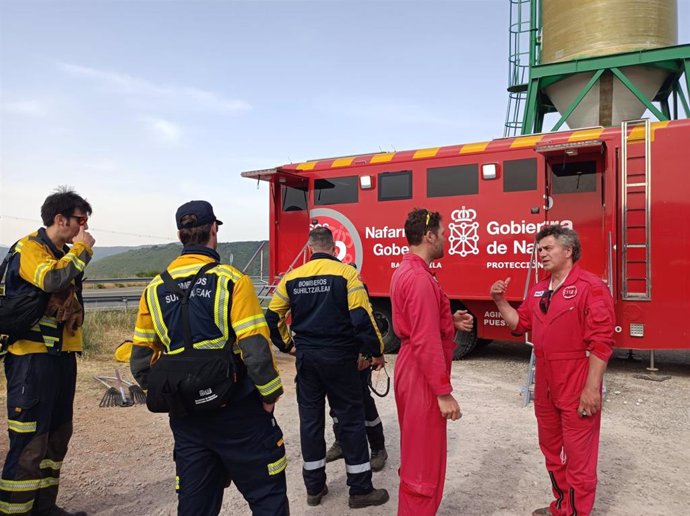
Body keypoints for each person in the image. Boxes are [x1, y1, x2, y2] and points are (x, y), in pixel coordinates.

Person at [130, 200, 288, 516]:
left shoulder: (154, 288)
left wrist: (178, 394)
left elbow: (139, 362)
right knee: (266, 497)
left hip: (187, 419)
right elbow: (255, 350)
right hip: (238, 411)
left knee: (195, 506)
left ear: (180, 235)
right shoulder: (232, 280)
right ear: (213, 229)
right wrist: (269, 395)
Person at [490, 224, 615, 516]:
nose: (541, 254)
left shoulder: (591, 287)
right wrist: (499, 300)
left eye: (548, 248)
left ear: (568, 250)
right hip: (546, 383)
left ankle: (577, 512)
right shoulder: (538, 289)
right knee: (552, 451)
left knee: (578, 457)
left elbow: (601, 343)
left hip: (576, 380)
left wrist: (591, 388)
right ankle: (561, 506)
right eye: (539, 249)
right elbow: (518, 324)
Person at [265, 227, 390, 509]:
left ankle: (314, 488)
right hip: (340, 359)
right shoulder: (347, 275)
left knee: (310, 424)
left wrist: (289, 347)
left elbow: (272, 318)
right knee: (351, 420)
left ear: (310, 249)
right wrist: (376, 352)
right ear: (333, 248)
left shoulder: (292, 278)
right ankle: (359, 490)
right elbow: (361, 318)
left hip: (307, 361)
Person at [1, 188, 94, 516]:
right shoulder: (30, 249)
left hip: (60, 358)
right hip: (31, 359)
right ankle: (15, 511)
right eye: (80, 221)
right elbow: (52, 280)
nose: (84, 229)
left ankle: (44, 507)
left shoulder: (62, 253)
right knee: (29, 443)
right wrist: (82, 250)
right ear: (60, 219)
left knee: (56, 439)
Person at [389, 208, 473, 516]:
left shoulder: (408, 272)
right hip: (420, 375)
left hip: (413, 368)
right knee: (423, 464)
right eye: (444, 233)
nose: (446, 238)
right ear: (429, 236)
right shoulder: (420, 278)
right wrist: (443, 392)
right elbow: (423, 339)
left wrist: (448, 322)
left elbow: (418, 325)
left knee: (418, 453)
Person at [326, 263, 387, 472]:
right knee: (334, 403)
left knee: (363, 401)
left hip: (357, 356)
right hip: (337, 357)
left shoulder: (357, 287)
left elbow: (366, 323)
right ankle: (341, 442)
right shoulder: (330, 287)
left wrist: (368, 353)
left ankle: (378, 448)